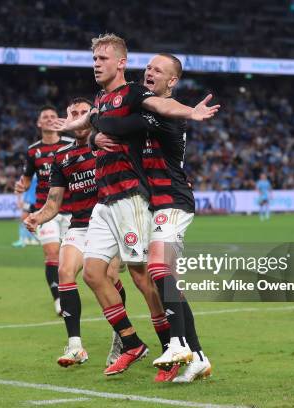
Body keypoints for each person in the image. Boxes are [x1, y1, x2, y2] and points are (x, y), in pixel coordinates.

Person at [51, 33, 219, 376]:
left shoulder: (141, 101)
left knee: (152, 275)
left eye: (103, 59)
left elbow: (154, 109)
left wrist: (191, 110)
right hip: (115, 198)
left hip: (148, 197)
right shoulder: (107, 98)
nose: (150, 72)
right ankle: (141, 344)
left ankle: (180, 347)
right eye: (94, 59)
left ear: (121, 62)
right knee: (98, 273)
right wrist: (87, 128)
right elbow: (103, 118)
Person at [91, 53, 213, 382]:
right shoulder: (142, 110)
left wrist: (190, 110)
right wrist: (92, 134)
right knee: (163, 276)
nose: (149, 72)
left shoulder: (162, 115)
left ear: (171, 81)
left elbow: (116, 123)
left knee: (156, 269)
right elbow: (107, 125)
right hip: (154, 203)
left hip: (172, 199)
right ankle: (197, 356)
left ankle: (175, 342)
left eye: (158, 70)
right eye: (147, 67)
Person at [24, 97, 126, 368]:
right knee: (65, 271)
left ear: (91, 116)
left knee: (110, 276)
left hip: (110, 224)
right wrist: (36, 216)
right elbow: (54, 203)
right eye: (74, 113)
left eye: (84, 112)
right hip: (79, 225)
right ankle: (75, 346)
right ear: (67, 120)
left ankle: (121, 337)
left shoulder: (106, 145)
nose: (79, 117)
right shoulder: (62, 157)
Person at [15, 106, 73, 316]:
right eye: (44, 117)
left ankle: (67, 290)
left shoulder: (70, 144)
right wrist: (21, 186)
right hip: (44, 210)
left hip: (71, 210)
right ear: (39, 123)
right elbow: (26, 180)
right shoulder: (33, 151)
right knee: (51, 254)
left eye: (52, 116)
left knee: (72, 260)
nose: (49, 119)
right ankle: (59, 299)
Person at [12, 175, 39, 248]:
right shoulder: (29, 173)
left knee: (33, 221)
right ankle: (25, 239)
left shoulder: (39, 172)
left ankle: (30, 239)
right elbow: (18, 186)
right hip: (30, 200)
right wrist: (19, 200)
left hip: (36, 200)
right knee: (24, 220)